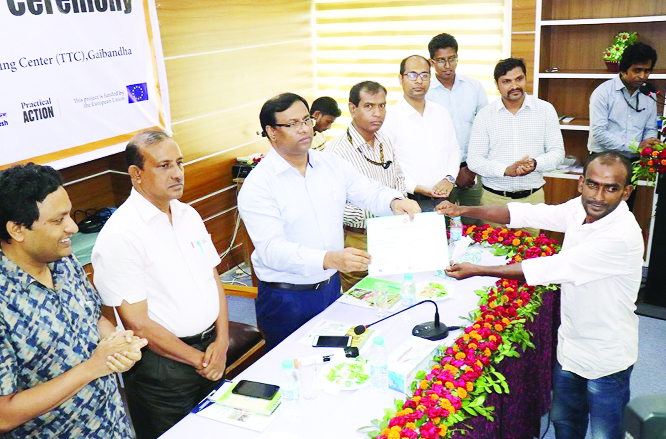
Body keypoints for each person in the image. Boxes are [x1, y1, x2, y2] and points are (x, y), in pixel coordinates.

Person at [437, 151, 643, 439]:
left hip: (606, 357)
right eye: (593, 185)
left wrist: (479, 269)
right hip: (571, 346)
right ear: (580, 183)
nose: (599, 196)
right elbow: (526, 213)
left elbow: (549, 268)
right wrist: (466, 211)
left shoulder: (620, 235)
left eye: (611, 188)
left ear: (626, 192)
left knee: (604, 434)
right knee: (565, 424)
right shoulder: (579, 208)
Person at [237, 92, 420, 350]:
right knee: (290, 365)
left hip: (330, 287)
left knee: (335, 357)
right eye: (292, 124)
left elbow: (366, 190)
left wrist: (394, 202)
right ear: (271, 131)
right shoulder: (258, 186)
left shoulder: (330, 163)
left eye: (306, 120)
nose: (304, 129)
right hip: (287, 296)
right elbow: (272, 250)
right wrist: (330, 259)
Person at [92, 131, 230, 439]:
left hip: (210, 351)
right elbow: (136, 323)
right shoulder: (121, 235)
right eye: (164, 165)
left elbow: (213, 279)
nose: (177, 173)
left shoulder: (188, 214)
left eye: (179, 163)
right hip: (163, 370)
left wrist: (221, 342)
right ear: (136, 174)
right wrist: (200, 359)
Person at [0, 163, 146, 438]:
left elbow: (94, 318)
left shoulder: (64, 261)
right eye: (58, 220)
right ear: (17, 230)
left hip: (113, 426)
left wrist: (120, 344)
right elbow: (3, 415)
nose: (73, 227)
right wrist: (92, 368)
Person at [467, 57, 564, 236]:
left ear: (525, 78)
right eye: (506, 82)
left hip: (532, 200)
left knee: (530, 257)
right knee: (492, 256)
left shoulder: (545, 110)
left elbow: (557, 153)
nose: (514, 86)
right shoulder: (485, 116)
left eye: (519, 79)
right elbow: (474, 160)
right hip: (494, 200)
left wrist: (535, 164)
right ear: (497, 85)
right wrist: (505, 170)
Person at [327, 81, 406, 291]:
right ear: (353, 109)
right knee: (360, 295)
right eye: (369, 106)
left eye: (382, 106)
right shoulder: (335, 152)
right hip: (358, 236)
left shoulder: (384, 140)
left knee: (395, 289)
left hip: (393, 231)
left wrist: (399, 203)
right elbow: (334, 205)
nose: (377, 113)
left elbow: (398, 178)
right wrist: (384, 209)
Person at [426, 33, 488, 221]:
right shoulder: (425, 93)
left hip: (472, 173)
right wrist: (452, 174)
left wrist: (470, 170)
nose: (447, 66)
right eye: (441, 60)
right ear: (431, 62)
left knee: (476, 228)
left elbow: (485, 130)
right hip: (439, 176)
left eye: (452, 59)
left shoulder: (474, 87)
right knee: (439, 228)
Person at [588, 42, 659, 157]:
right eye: (637, 70)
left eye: (647, 71)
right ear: (624, 69)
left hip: (636, 159)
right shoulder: (603, 92)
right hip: (604, 158)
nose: (643, 76)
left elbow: (650, 128)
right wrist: (637, 146)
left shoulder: (649, 94)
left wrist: (648, 145)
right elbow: (599, 133)